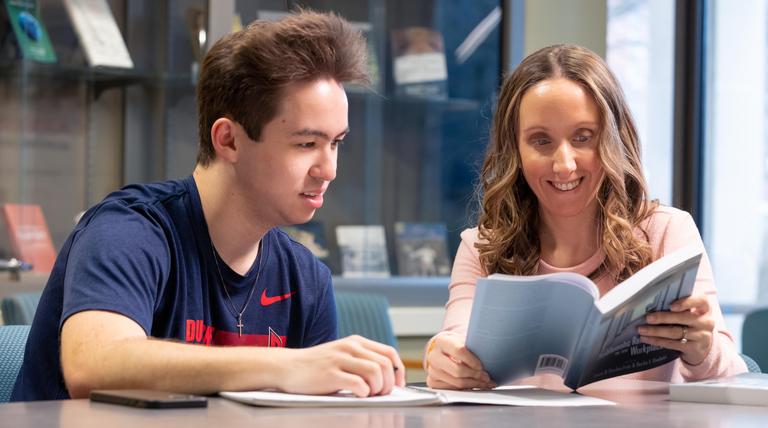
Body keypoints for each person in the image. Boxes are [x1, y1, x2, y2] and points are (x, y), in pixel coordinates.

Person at [11, 10, 404, 402]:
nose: (329, 169)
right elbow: (93, 366)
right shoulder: (127, 230)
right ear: (229, 140)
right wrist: (288, 367)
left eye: (335, 143)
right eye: (306, 144)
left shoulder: (306, 279)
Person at [423, 44, 747, 390]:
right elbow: (454, 341)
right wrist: (445, 362)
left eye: (583, 137)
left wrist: (702, 349)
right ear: (515, 149)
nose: (564, 164)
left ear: (613, 139)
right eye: (541, 141)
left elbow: (731, 372)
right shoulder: (480, 247)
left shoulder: (668, 231)